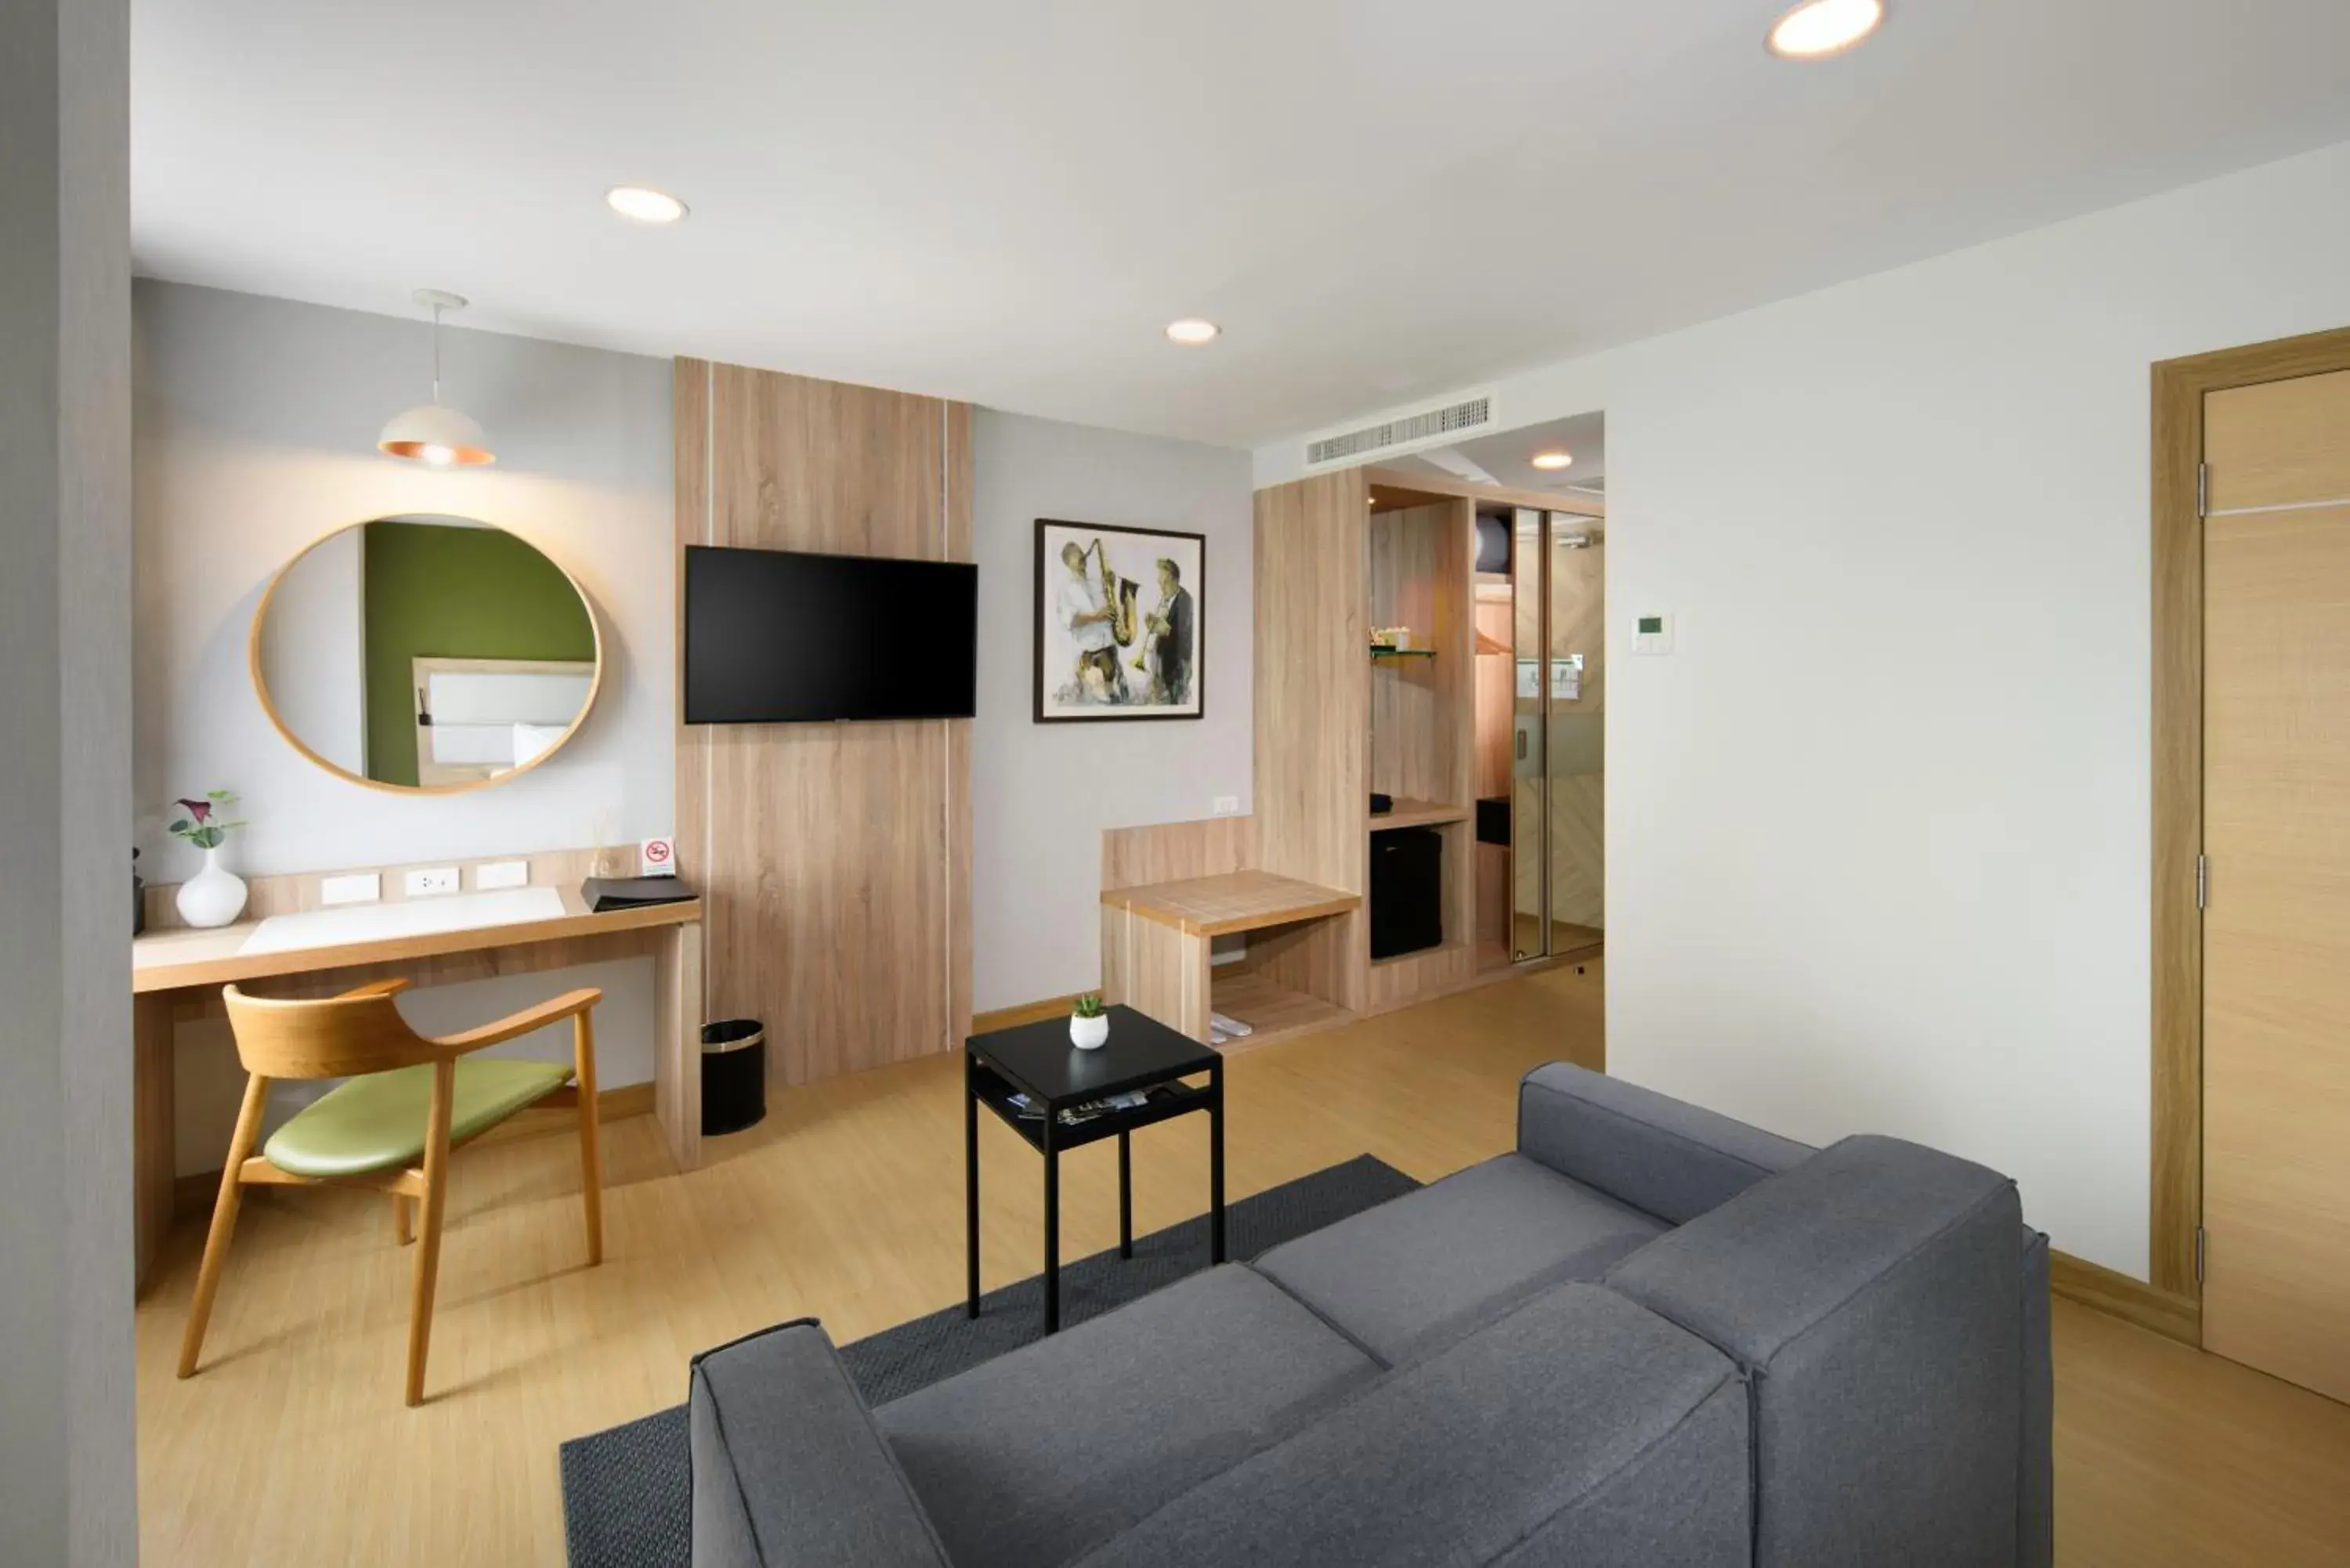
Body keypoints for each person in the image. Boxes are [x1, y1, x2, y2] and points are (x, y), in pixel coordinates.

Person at [1055, 540, 1127, 703]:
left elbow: (1109, 608)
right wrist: (1096, 616)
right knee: (1100, 704)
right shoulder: (1066, 589)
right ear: (1067, 562)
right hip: (1091, 657)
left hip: (1110, 650)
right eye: (1077, 557)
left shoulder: (1095, 582)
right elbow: (1070, 621)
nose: (1083, 558)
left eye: (1082, 554)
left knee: (1120, 700)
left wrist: (1111, 586)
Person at [1144, 557, 1195, 706]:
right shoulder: (1166, 599)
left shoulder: (1186, 600)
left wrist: (1162, 628)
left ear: (1174, 580)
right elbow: (1165, 626)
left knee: (1175, 703)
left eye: (1164, 581)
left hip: (1177, 666)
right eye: (1160, 581)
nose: (1161, 585)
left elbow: (1182, 633)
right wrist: (1154, 621)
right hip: (1162, 661)